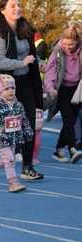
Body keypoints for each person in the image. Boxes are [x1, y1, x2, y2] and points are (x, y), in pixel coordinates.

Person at [0, 0, 44, 181]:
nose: (17, 8)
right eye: (12, 5)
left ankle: (27, 167)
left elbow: (31, 56)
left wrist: (39, 64)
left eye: (18, 5)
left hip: (24, 82)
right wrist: (22, 63)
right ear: (2, 10)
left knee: (27, 121)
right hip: (2, 83)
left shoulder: (25, 29)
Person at [0, 74, 31, 192]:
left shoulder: (18, 105)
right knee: (9, 159)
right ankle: (13, 183)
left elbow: (23, 119)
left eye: (12, 88)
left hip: (13, 137)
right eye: (6, 89)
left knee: (9, 158)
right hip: (0, 138)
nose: (11, 91)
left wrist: (27, 131)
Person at [44, 26, 82, 163]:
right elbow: (50, 71)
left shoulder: (80, 51)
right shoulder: (58, 52)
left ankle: (59, 149)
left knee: (70, 121)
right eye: (65, 43)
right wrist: (50, 88)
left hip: (77, 89)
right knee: (68, 118)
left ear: (77, 41)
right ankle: (72, 149)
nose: (67, 47)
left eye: (71, 44)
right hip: (62, 89)